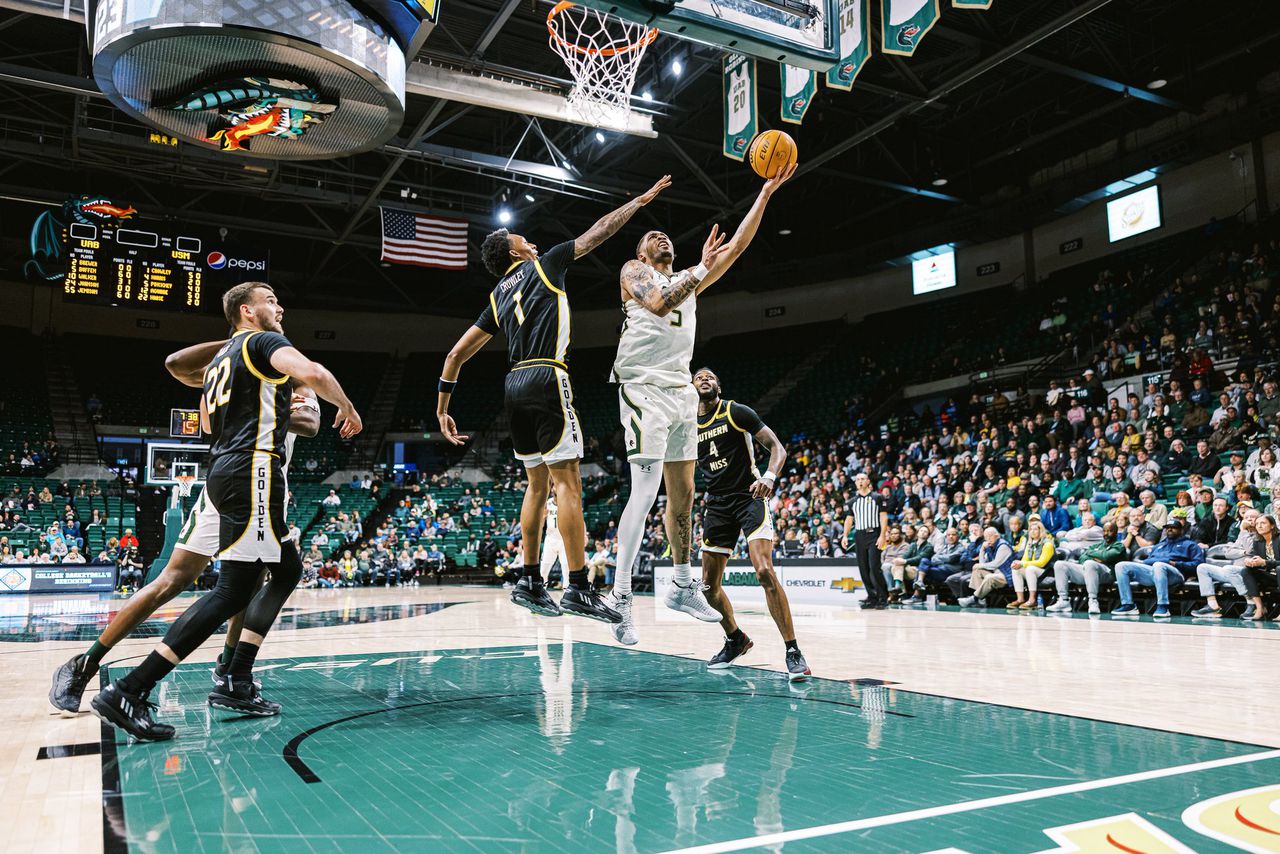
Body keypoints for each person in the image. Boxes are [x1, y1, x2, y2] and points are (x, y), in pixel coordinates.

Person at [89, 282, 361, 741]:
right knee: (233, 591)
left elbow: (205, 408)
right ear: (246, 311)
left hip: (230, 468)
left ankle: (236, 676)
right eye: (271, 300)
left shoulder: (219, 362)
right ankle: (131, 689)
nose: (280, 306)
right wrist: (348, 406)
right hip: (253, 470)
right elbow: (312, 373)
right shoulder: (262, 343)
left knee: (286, 570)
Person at [438, 180, 674, 623]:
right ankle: (579, 586)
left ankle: (529, 578)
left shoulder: (496, 296)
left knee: (536, 485)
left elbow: (455, 354)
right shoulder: (544, 265)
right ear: (514, 253)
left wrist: (442, 407)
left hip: (512, 384)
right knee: (568, 484)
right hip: (548, 373)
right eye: (520, 239)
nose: (530, 241)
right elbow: (597, 233)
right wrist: (637, 203)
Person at [609, 163, 797, 642]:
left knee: (685, 495)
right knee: (647, 491)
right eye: (652, 235)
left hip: (679, 391)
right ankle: (621, 596)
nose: (661, 238)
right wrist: (699, 266)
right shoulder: (635, 272)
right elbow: (658, 303)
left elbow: (736, 248)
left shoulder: (691, 280)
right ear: (641, 251)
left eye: (665, 235)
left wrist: (766, 193)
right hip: (642, 386)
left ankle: (681, 583)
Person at [688, 369, 809, 680]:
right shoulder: (687, 424)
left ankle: (793, 649)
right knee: (707, 587)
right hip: (716, 505)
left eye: (711, 376)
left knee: (764, 571)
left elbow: (777, 448)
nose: (705, 379)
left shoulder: (736, 411)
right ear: (690, 386)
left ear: (718, 384)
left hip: (749, 496)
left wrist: (769, 477)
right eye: (699, 376)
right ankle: (735, 639)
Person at [1111, 518, 1204, 620]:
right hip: (1154, 572)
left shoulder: (1190, 545)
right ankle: (1128, 605)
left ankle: (1163, 605)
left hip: (1176, 574)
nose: (1170, 530)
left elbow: (1198, 564)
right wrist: (1165, 560)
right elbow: (1147, 561)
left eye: (1173, 528)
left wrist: (1176, 563)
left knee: (1159, 565)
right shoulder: (1159, 546)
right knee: (1121, 565)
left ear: (1181, 530)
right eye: (1167, 528)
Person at [1047, 521, 1126, 614]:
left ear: (1116, 532)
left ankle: (1093, 600)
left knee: (1089, 563)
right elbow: (1082, 557)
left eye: (1110, 531)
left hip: (1108, 574)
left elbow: (1106, 556)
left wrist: (1093, 555)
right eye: (1104, 531)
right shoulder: (1098, 545)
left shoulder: (1119, 546)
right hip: (1089, 571)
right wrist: (1096, 556)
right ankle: (1063, 601)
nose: (1106, 534)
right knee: (1060, 564)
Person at [842, 472, 890, 609]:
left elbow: (884, 517)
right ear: (856, 483)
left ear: (868, 481)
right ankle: (872, 597)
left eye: (863, 479)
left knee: (874, 567)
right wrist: (845, 535)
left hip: (874, 534)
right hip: (859, 535)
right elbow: (849, 520)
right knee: (863, 568)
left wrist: (882, 535)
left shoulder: (878, 497)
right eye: (858, 479)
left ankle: (883, 597)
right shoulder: (852, 501)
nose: (860, 481)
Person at [1008, 515, 1055, 610]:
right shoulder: (1030, 543)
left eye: (1035, 529)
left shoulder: (1048, 544)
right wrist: (1018, 563)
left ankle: (1032, 600)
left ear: (1041, 531)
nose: (1032, 532)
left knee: (1030, 569)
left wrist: (1023, 564)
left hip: (1046, 572)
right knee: (1016, 568)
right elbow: (1024, 560)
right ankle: (1020, 599)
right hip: (1034, 570)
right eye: (1030, 530)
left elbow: (1041, 563)